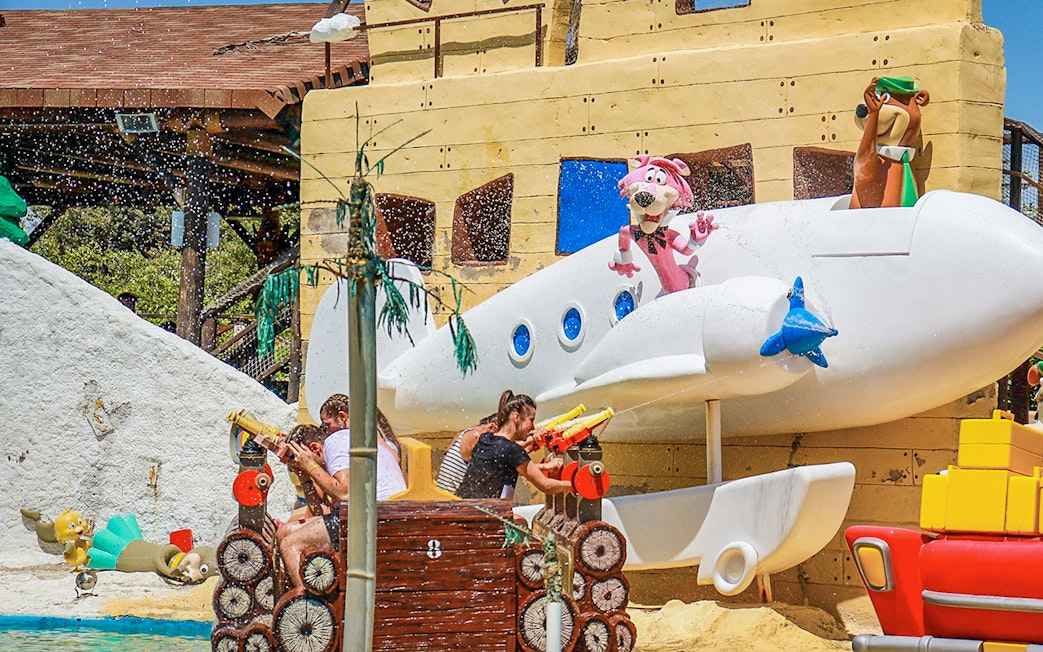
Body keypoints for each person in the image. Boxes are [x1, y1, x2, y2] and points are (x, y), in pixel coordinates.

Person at [275, 394, 406, 589]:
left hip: (372, 518)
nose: (324, 431)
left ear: (343, 418)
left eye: (326, 425)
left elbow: (344, 493)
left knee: (289, 545)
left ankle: (307, 611)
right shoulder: (370, 439)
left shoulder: (338, 439)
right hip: (387, 513)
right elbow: (323, 513)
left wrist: (309, 465)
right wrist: (305, 474)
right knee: (285, 532)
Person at [455, 390, 573, 500]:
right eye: (531, 420)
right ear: (516, 417)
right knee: (521, 522)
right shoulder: (513, 450)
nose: (532, 426)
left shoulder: (486, 439)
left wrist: (544, 467)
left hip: (464, 507)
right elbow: (545, 486)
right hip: (483, 515)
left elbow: (506, 461)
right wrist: (572, 484)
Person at [435, 414, 497, 495]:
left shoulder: (463, 433)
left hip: (441, 493)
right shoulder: (477, 437)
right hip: (453, 500)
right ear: (492, 427)